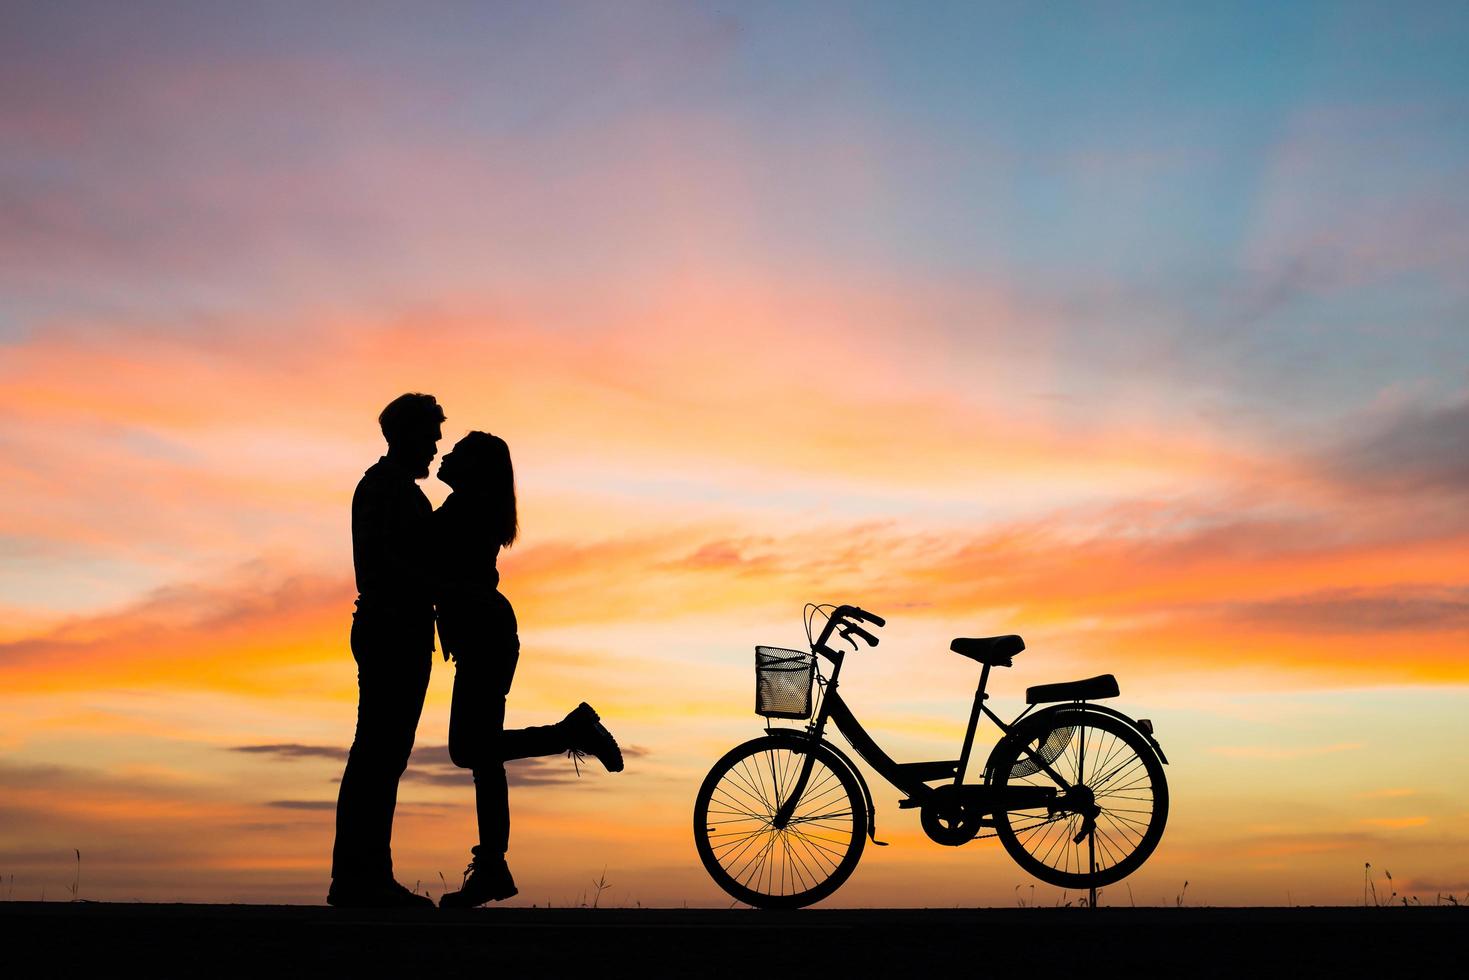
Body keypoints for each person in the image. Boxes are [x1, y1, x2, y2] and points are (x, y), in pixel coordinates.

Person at [433, 431, 624, 909]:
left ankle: (572, 731)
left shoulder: (466, 507)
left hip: (485, 635)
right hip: (487, 634)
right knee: (482, 757)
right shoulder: (473, 505)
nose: (446, 456)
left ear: (475, 467)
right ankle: (492, 868)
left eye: (458, 453)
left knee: (469, 749)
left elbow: (420, 550)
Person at [328, 393, 445, 908]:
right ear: (406, 436)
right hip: (392, 629)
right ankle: (362, 878)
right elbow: (396, 566)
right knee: (378, 753)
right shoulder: (386, 490)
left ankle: (364, 874)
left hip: (396, 627)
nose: (437, 444)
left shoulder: (389, 489)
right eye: (430, 434)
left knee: (381, 755)